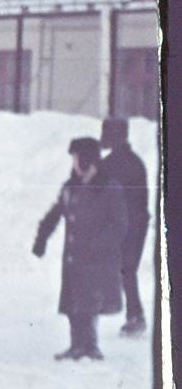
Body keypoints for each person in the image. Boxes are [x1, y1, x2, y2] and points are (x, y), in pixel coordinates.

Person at [33, 136, 127, 361]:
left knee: (90, 302)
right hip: (74, 256)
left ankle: (90, 345)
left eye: (76, 158)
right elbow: (56, 213)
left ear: (87, 159)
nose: (73, 163)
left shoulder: (108, 187)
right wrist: (42, 237)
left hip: (98, 259)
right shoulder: (71, 187)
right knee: (74, 301)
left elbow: (119, 224)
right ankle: (77, 344)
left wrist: (100, 246)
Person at [97, 117, 149, 337]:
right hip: (136, 224)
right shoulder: (134, 161)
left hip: (127, 225)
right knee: (126, 270)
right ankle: (133, 315)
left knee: (125, 270)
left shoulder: (112, 164)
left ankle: (135, 316)